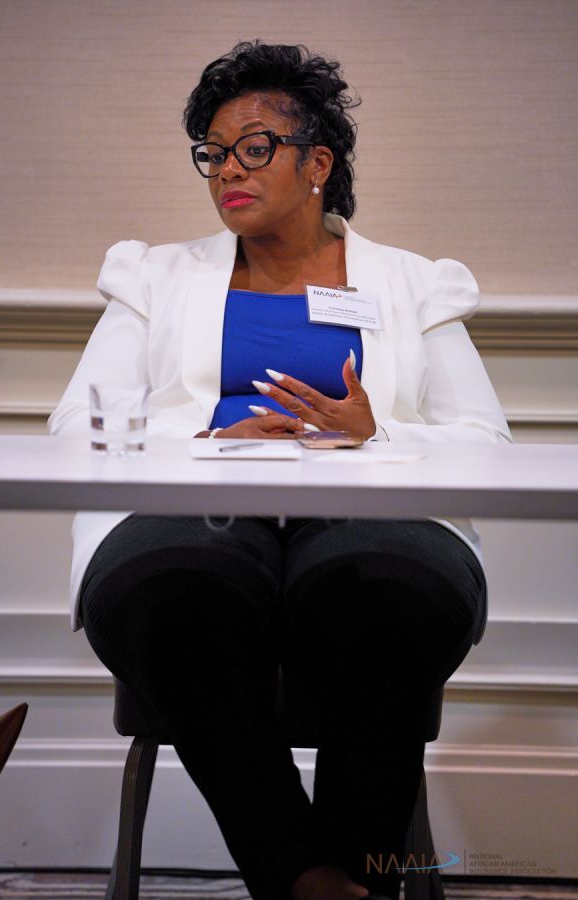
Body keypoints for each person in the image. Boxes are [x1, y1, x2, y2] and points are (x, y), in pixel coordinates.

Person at [48, 41, 511, 900]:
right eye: (214, 153)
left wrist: (376, 431)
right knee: (178, 592)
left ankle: (339, 874)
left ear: (317, 164)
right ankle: (308, 880)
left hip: (374, 513)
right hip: (194, 511)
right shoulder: (154, 277)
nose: (228, 169)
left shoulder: (413, 284)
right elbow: (80, 425)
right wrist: (205, 438)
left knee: (385, 595)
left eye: (255, 148)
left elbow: (484, 440)